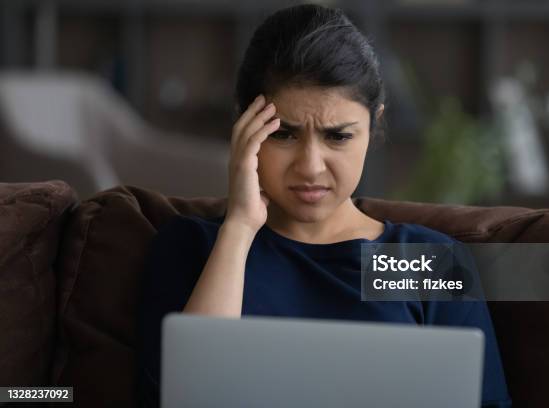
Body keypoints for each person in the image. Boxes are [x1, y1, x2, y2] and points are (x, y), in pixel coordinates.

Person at [135, 4, 512, 407]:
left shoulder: (417, 263)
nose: (311, 167)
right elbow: (187, 397)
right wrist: (240, 228)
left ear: (373, 126)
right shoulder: (192, 248)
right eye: (284, 135)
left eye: (338, 137)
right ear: (245, 127)